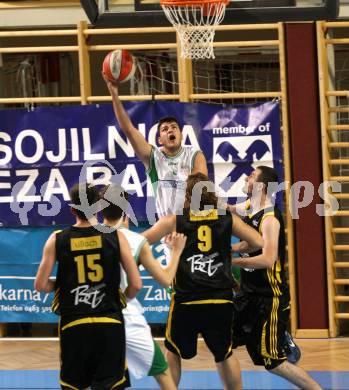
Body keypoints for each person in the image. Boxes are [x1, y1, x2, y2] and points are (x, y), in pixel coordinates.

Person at [143, 172, 264, 389]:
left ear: (187, 196)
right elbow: (257, 241)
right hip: (220, 298)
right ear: (211, 193)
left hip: (187, 299)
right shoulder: (226, 219)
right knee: (224, 352)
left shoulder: (175, 220)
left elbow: (140, 242)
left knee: (173, 351)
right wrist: (230, 250)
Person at [34, 183, 142, 390]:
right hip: (109, 321)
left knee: (74, 385)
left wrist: (65, 283)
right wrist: (122, 300)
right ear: (99, 208)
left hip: (74, 324)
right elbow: (136, 283)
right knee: (111, 384)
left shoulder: (57, 239)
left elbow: (40, 285)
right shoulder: (115, 235)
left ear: (72, 209)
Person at [231, 166, 321, 390]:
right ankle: (280, 335)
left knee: (274, 363)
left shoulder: (270, 218)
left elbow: (268, 258)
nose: (246, 177)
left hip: (269, 298)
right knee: (223, 341)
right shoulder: (250, 207)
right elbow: (232, 213)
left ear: (260, 186)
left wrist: (233, 262)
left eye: (251, 175)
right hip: (249, 295)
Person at [100, 183, 187, 390]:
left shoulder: (86, 235)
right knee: (162, 372)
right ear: (125, 209)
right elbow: (166, 279)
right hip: (126, 316)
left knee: (101, 379)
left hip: (94, 315)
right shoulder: (135, 240)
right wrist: (175, 252)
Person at [102, 74, 208, 218]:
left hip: (192, 222)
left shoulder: (195, 154)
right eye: (165, 129)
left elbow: (200, 189)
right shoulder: (153, 157)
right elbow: (128, 129)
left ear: (182, 135)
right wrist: (114, 93)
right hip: (166, 228)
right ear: (159, 140)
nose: (170, 130)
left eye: (174, 127)